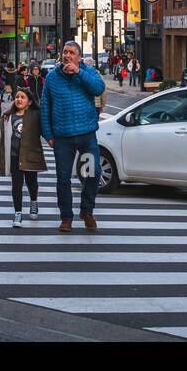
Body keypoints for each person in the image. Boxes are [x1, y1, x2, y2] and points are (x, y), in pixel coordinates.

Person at [40, 40, 106, 232]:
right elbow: (46, 107)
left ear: (78, 56)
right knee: (63, 178)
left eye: (71, 53)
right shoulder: (53, 77)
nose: (67, 56)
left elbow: (98, 89)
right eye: (65, 52)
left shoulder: (88, 72)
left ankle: (87, 211)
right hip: (63, 138)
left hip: (86, 134)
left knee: (92, 174)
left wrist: (79, 72)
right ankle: (66, 217)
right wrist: (48, 135)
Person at [0, 86, 47, 227]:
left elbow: (45, 130)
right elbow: (4, 139)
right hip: (15, 156)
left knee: (32, 183)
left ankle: (33, 202)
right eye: (17, 97)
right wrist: (2, 158)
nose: (19, 99)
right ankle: (18, 213)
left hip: (31, 155)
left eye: (22, 97)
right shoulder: (8, 116)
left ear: (30, 102)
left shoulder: (36, 115)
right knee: (16, 185)